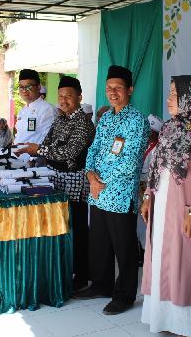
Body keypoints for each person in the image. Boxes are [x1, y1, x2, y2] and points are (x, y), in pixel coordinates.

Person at [140, 76, 191, 337]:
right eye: (170, 92)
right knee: (165, 257)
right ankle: (166, 318)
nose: (169, 98)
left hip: (188, 207)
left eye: (175, 94)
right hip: (163, 203)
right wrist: (148, 196)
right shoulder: (170, 127)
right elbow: (156, 166)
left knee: (188, 262)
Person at [74, 65, 150, 315]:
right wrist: (90, 174)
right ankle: (101, 284)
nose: (113, 92)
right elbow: (94, 149)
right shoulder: (106, 118)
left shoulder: (137, 120)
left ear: (130, 90)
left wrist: (99, 181)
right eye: (109, 88)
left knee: (124, 246)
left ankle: (124, 295)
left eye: (118, 88)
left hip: (120, 193)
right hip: (99, 192)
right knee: (100, 242)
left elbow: (130, 162)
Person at [16, 76, 96, 291]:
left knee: (77, 230)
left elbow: (68, 152)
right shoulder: (60, 119)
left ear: (79, 97)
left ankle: (81, 276)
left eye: (68, 96)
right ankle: (63, 270)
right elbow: (48, 143)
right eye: (60, 96)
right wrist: (37, 150)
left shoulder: (83, 123)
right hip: (55, 179)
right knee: (60, 228)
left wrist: (39, 150)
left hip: (74, 182)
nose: (63, 100)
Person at [15, 69, 58, 162]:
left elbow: (49, 139)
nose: (24, 90)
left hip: (35, 164)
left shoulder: (47, 109)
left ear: (38, 87)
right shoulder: (22, 111)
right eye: (21, 87)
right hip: (18, 161)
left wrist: (33, 160)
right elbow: (20, 136)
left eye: (28, 86)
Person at [137, 114, 163, 250]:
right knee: (140, 219)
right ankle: (142, 247)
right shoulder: (145, 145)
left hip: (147, 188)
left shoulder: (157, 149)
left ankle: (147, 248)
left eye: (148, 130)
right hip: (139, 187)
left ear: (155, 132)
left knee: (146, 218)